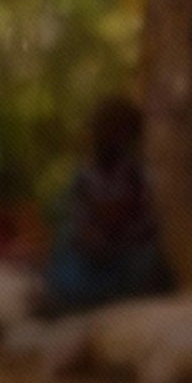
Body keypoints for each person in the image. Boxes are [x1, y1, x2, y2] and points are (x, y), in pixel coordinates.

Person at [44, 96, 170, 315]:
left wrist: (118, 229)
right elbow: (78, 224)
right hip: (89, 261)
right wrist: (90, 236)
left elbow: (144, 223)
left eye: (117, 131)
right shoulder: (83, 178)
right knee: (64, 269)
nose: (108, 137)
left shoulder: (135, 175)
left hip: (126, 257)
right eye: (103, 129)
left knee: (148, 265)